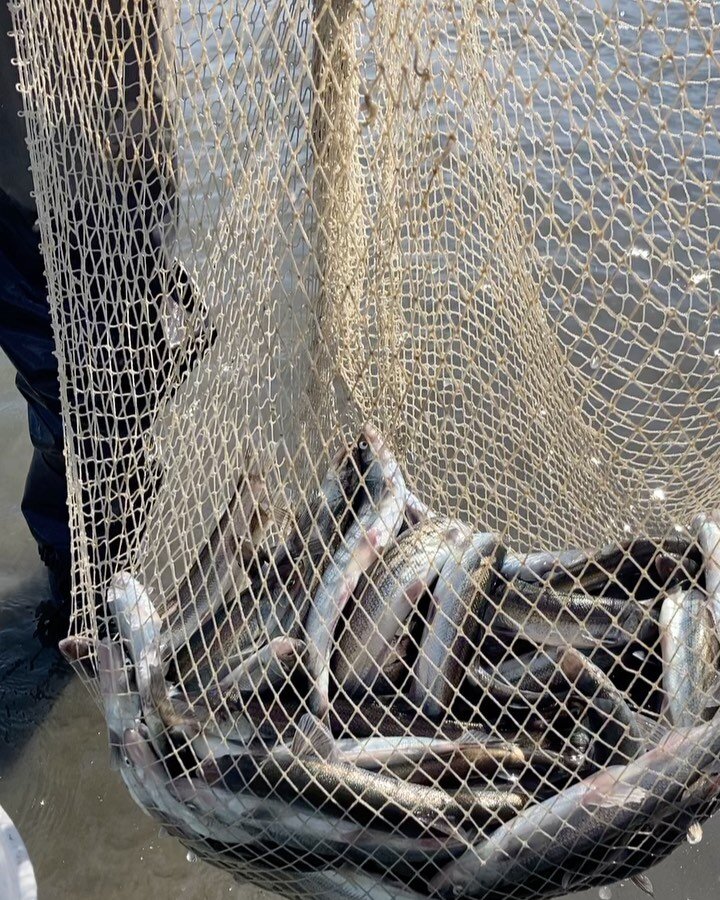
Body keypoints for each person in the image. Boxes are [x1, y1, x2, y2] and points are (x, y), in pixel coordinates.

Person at [0, 0, 214, 644]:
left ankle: (98, 591)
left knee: (116, 411)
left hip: (126, 178)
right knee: (70, 414)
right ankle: (81, 595)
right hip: (25, 197)